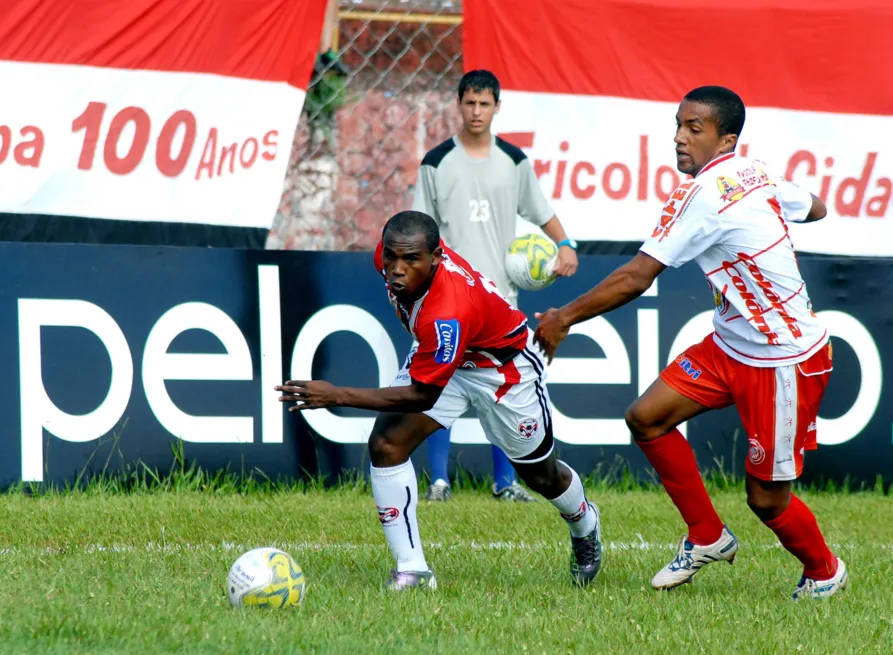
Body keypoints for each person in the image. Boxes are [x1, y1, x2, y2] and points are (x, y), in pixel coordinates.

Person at [534, 86, 848, 600]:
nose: (679, 138)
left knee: (766, 501)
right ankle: (707, 536)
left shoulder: (703, 195)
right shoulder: (755, 170)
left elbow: (637, 276)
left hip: (784, 358)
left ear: (725, 140)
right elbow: (816, 208)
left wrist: (564, 318)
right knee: (647, 417)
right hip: (731, 344)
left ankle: (823, 571)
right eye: (678, 126)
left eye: (693, 129)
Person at [277, 210, 601, 590]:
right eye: (391, 258)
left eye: (411, 260)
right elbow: (429, 377)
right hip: (446, 357)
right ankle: (413, 570)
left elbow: (421, 395)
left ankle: (585, 523)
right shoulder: (396, 256)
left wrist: (335, 395)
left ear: (435, 258)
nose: (397, 269)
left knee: (540, 476)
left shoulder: (447, 311)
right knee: (387, 443)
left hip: (502, 370)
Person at [412, 68, 579, 503]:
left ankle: (505, 483)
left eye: (485, 103)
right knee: (438, 380)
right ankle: (439, 480)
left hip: (499, 300)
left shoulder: (514, 161)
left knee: (502, 389)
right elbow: (420, 230)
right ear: (458, 104)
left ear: (497, 107)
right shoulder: (435, 163)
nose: (476, 111)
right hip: (446, 298)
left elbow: (540, 209)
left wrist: (564, 244)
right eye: (469, 102)